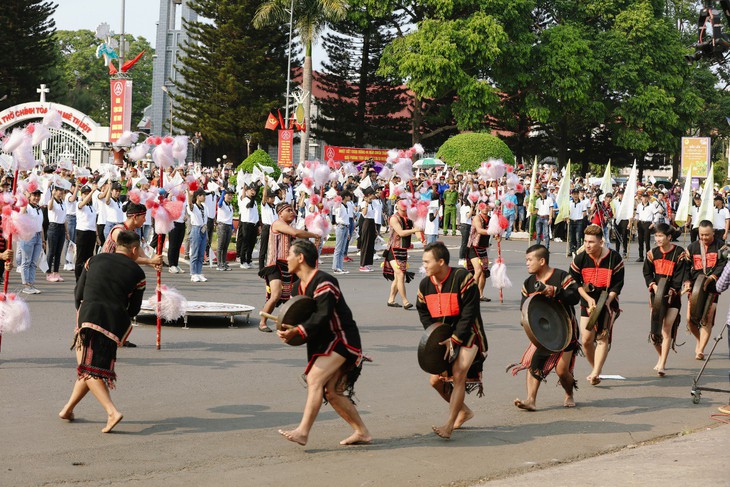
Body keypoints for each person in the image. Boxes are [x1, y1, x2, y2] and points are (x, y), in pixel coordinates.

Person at [276, 239, 371, 446]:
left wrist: (298, 330)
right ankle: (362, 431)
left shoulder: (324, 281)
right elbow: (298, 321)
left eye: (290, 254)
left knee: (314, 379)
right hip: (322, 343)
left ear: (301, 258)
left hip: (342, 339)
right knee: (333, 393)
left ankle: (303, 431)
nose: (287, 259)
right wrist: (286, 332)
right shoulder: (296, 288)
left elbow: (322, 316)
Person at [59, 230, 146, 433]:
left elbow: (78, 292)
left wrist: (82, 313)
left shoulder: (94, 260)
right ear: (134, 249)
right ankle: (67, 409)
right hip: (114, 323)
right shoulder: (138, 273)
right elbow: (134, 310)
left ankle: (111, 411)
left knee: (88, 370)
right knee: (87, 369)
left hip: (88, 316)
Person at [417, 242, 488, 439]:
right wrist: (434, 334)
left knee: (458, 374)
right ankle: (464, 412)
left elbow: (469, 314)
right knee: (434, 381)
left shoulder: (463, 278)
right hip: (444, 335)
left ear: (441, 262)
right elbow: (422, 310)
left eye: (427, 262)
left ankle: (448, 425)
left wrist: (455, 339)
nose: (424, 266)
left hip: (469, 334)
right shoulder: (425, 285)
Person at [510, 244, 580, 410]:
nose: (527, 263)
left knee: (562, 371)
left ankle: (569, 393)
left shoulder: (561, 276)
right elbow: (524, 307)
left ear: (542, 261)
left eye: (529, 260)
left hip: (566, 329)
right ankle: (531, 400)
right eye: (526, 260)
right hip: (543, 332)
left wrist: (555, 291)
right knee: (535, 362)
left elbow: (575, 297)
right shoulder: (528, 284)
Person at [570, 224, 624, 386]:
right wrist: (588, 298)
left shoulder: (615, 259)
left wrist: (606, 301)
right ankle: (596, 369)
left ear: (601, 242)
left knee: (602, 337)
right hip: (587, 301)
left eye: (591, 242)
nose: (587, 245)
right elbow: (574, 282)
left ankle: (595, 372)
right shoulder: (580, 258)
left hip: (608, 302)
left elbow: (617, 285)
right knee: (586, 340)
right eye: (585, 241)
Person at [258, 203, 321, 332]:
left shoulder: (287, 227)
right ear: (280, 213)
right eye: (288, 210)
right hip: (275, 265)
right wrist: (314, 235)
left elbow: (298, 241)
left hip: (288, 266)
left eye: (292, 210)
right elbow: (296, 233)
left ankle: (291, 321)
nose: (292, 213)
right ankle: (262, 322)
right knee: (275, 295)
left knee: (294, 295)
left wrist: (313, 242)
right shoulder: (277, 224)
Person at [642, 223, 688, 376]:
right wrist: (653, 285)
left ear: (669, 237)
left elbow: (679, 276)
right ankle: (661, 356)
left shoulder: (679, 253)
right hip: (656, 297)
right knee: (655, 332)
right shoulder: (651, 254)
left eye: (661, 236)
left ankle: (662, 364)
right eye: (656, 236)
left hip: (673, 297)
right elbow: (647, 273)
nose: (658, 238)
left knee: (666, 328)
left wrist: (672, 290)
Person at [683, 220, 727, 360]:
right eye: (701, 235)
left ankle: (700, 349)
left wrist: (712, 277)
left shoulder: (722, 246)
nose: (703, 238)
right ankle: (699, 339)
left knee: (707, 318)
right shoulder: (692, 247)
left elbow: (724, 265)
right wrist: (687, 281)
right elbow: (685, 267)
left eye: (707, 235)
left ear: (713, 232)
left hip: (713, 288)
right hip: (695, 287)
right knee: (690, 319)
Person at [383, 199, 422, 308]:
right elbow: (401, 233)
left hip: (403, 250)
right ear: (397, 206)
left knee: (397, 277)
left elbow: (417, 232)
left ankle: (391, 299)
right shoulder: (394, 218)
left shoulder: (410, 218)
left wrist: (422, 239)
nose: (404, 205)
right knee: (400, 274)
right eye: (401, 204)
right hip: (393, 250)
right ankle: (405, 301)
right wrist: (415, 230)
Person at [19, 188, 45, 294]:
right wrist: (25, 198)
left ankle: (31, 284)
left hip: (38, 236)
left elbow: (41, 225)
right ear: (30, 196)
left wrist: (43, 240)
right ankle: (26, 285)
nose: (37, 198)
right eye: (34, 195)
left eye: (38, 195)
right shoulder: (27, 207)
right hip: (28, 236)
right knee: (26, 261)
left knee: (33, 262)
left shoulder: (38, 208)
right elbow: (21, 214)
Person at [466, 202, 491, 302]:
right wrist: (492, 231)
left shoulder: (491, 219)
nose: (485, 208)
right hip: (473, 246)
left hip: (483, 247)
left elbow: (497, 232)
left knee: (483, 273)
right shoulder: (477, 218)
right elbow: (480, 230)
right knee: (478, 270)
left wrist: (498, 234)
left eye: (486, 207)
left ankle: (480, 295)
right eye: (482, 207)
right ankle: (469, 293)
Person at [74, 184, 98, 280]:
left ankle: (87, 278)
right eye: (85, 193)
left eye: (88, 193)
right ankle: (78, 279)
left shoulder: (92, 207)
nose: (87, 195)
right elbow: (82, 203)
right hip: (82, 232)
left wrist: (97, 236)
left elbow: (94, 222)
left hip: (91, 232)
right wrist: (92, 191)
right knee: (80, 257)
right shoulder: (79, 204)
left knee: (89, 258)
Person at [46, 184, 68, 282]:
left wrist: (67, 231)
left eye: (62, 190)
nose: (61, 192)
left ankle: (56, 272)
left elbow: (64, 218)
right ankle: (48, 272)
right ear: (55, 191)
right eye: (59, 190)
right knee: (51, 251)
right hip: (53, 227)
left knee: (59, 252)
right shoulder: (52, 201)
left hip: (61, 227)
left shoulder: (62, 202)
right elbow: (49, 208)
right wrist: (52, 195)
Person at [187, 188, 210, 282]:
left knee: (201, 253)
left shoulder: (204, 206)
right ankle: (193, 273)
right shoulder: (194, 207)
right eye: (203, 195)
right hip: (196, 228)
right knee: (195, 253)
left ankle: (199, 272)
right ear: (198, 196)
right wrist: (188, 193)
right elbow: (190, 204)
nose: (204, 197)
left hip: (203, 229)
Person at [238, 185, 260, 269]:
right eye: (251, 190)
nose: (252, 191)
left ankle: (249, 260)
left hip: (253, 224)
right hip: (246, 224)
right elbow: (249, 206)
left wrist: (258, 225)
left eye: (253, 190)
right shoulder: (244, 200)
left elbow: (256, 213)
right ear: (247, 191)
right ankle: (242, 261)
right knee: (245, 243)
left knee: (252, 243)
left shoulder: (254, 201)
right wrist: (254, 197)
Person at [332, 191, 352, 274]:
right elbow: (338, 216)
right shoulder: (339, 206)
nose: (350, 197)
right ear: (345, 197)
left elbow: (347, 219)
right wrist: (338, 206)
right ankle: (336, 267)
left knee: (342, 249)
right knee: (338, 248)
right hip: (340, 226)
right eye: (348, 196)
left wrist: (348, 233)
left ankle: (340, 267)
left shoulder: (347, 205)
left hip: (346, 227)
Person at [216, 188, 234, 271]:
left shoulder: (230, 205)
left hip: (229, 226)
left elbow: (230, 217)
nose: (230, 197)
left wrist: (233, 227)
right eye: (228, 195)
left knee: (225, 246)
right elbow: (219, 204)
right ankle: (219, 264)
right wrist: (223, 193)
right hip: (222, 225)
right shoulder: (222, 203)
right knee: (221, 245)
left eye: (231, 195)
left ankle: (224, 262)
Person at [635, 192, 655, 262]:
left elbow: (656, 215)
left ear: (648, 198)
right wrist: (635, 221)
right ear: (641, 197)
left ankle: (648, 256)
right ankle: (641, 256)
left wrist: (653, 223)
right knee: (640, 240)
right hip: (640, 223)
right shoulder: (639, 205)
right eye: (643, 197)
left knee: (647, 241)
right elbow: (637, 215)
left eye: (646, 197)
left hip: (647, 223)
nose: (645, 198)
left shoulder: (652, 206)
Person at [568, 188, 587, 255]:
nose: (575, 195)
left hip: (579, 221)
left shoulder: (582, 203)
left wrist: (580, 217)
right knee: (571, 237)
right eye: (574, 194)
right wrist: (567, 218)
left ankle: (578, 250)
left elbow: (584, 212)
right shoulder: (569, 203)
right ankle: (571, 250)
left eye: (576, 194)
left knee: (578, 237)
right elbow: (568, 212)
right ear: (572, 195)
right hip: (571, 220)